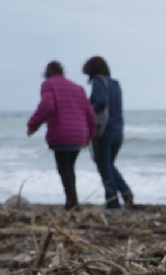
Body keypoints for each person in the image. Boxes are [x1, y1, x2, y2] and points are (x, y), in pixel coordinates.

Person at [27, 61, 96, 210]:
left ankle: (73, 203)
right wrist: (89, 136)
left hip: (62, 134)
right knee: (69, 168)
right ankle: (71, 202)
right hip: (79, 134)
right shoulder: (78, 88)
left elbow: (47, 105)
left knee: (64, 169)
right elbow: (90, 114)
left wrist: (33, 125)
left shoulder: (48, 84)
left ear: (47, 73)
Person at [82, 56, 134, 209]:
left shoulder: (98, 82)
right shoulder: (115, 84)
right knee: (109, 165)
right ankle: (125, 192)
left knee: (104, 167)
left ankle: (112, 202)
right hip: (118, 130)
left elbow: (101, 102)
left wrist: (89, 113)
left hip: (104, 131)